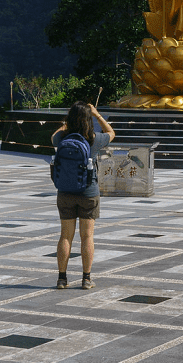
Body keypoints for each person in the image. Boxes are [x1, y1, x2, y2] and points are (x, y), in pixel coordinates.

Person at [52, 101, 114, 289]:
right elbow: (111, 133)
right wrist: (97, 114)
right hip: (88, 192)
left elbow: (53, 136)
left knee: (65, 236)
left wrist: (67, 123)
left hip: (65, 192)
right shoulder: (94, 139)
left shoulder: (61, 138)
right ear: (88, 120)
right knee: (87, 237)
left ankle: (62, 279)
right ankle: (86, 279)